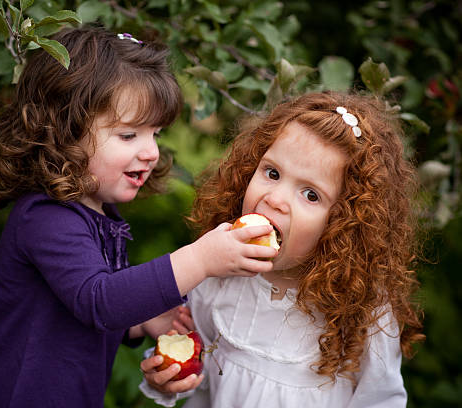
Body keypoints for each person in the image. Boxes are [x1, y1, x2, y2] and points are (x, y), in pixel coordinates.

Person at [0, 26, 276, 408]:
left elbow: (80, 306)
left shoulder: (98, 214)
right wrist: (201, 259)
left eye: (155, 133)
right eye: (128, 136)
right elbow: (99, 300)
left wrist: (141, 322)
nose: (152, 151)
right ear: (62, 132)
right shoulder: (46, 217)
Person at [139, 91, 425, 407]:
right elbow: (203, 366)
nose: (275, 199)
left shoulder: (361, 313)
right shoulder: (218, 275)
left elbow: (381, 400)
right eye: (272, 173)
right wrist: (171, 380)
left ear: (345, 225)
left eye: (311, 195)